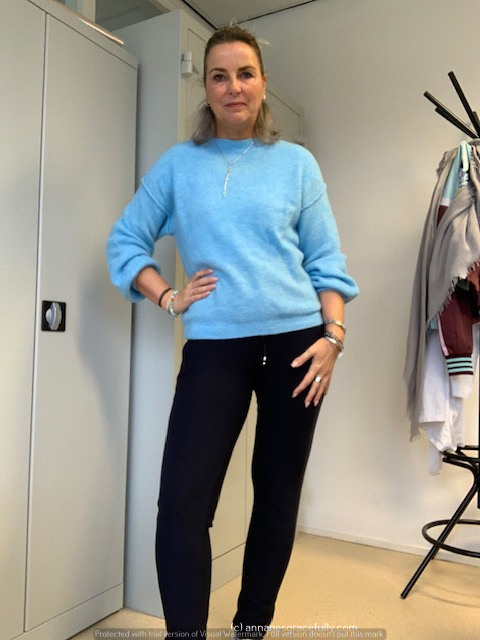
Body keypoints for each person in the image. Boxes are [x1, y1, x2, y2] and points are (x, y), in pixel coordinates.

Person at [106, 24, 358, 638]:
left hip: (299, 344)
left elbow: (326, 262)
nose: (233, 87)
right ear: (207, 87)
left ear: (263, 83)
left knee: (276, 493)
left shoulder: (296, 164)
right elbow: (126, 241)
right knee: (182, 502)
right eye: (219, 76)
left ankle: (251, 627)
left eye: (245, 73)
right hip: (215, 348)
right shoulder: (179, 165)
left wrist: (333, 337)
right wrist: (169, 295)